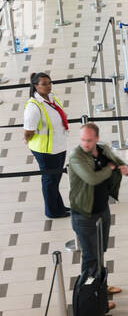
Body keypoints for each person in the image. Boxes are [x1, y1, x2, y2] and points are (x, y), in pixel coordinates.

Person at [68, 123, 128, 310]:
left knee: (100, 251)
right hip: (84, 215)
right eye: (82, 140)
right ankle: (93, 299)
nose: (85, 143)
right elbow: (92, 178)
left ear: (96, 139)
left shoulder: (102, 149)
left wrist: (123, 166)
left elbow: (116, 161)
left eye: (89, 140)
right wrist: (110, 169)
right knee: (90, 257)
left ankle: (100, 285)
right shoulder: (76, 157)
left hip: (102, 210)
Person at [23, 72, 69, 219]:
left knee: (55, 180)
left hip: (58, 145)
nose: (48, 86)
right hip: (46, 149)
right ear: (36, 86)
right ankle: (53, 211)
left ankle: (59, 206)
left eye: (49, 83)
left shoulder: (50, 97)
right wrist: (27, 140)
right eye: (44, 84)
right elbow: (28, 131)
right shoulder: (34, 106)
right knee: (50, 181)